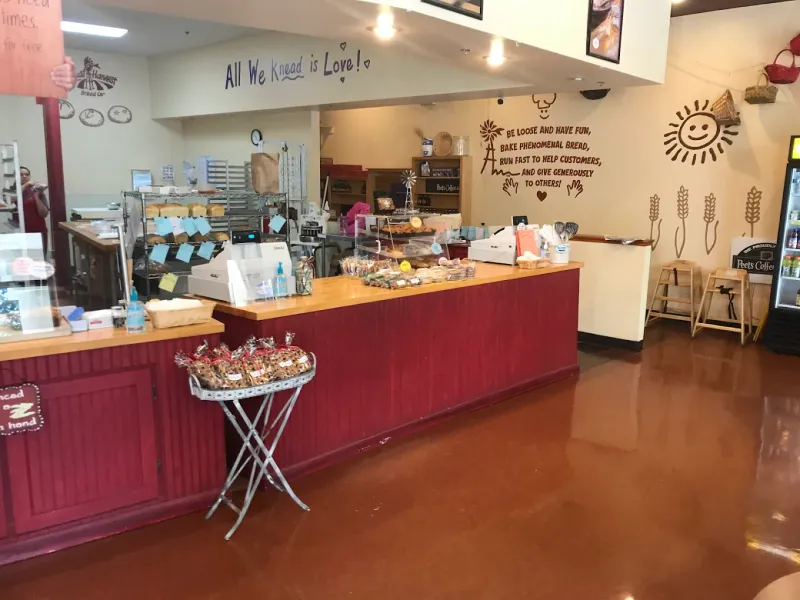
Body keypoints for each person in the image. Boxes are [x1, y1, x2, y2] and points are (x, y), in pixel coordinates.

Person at [7, 167, 50, 255]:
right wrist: (24, 187)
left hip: (38, 232)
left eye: (27, 174)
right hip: (20, 232)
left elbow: (44, 214)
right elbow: (8, 201)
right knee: (20, 261)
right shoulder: (11, 191)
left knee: (38, 259)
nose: (24, 176)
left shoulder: (37, 191)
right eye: (21, 174)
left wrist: (36, 195)